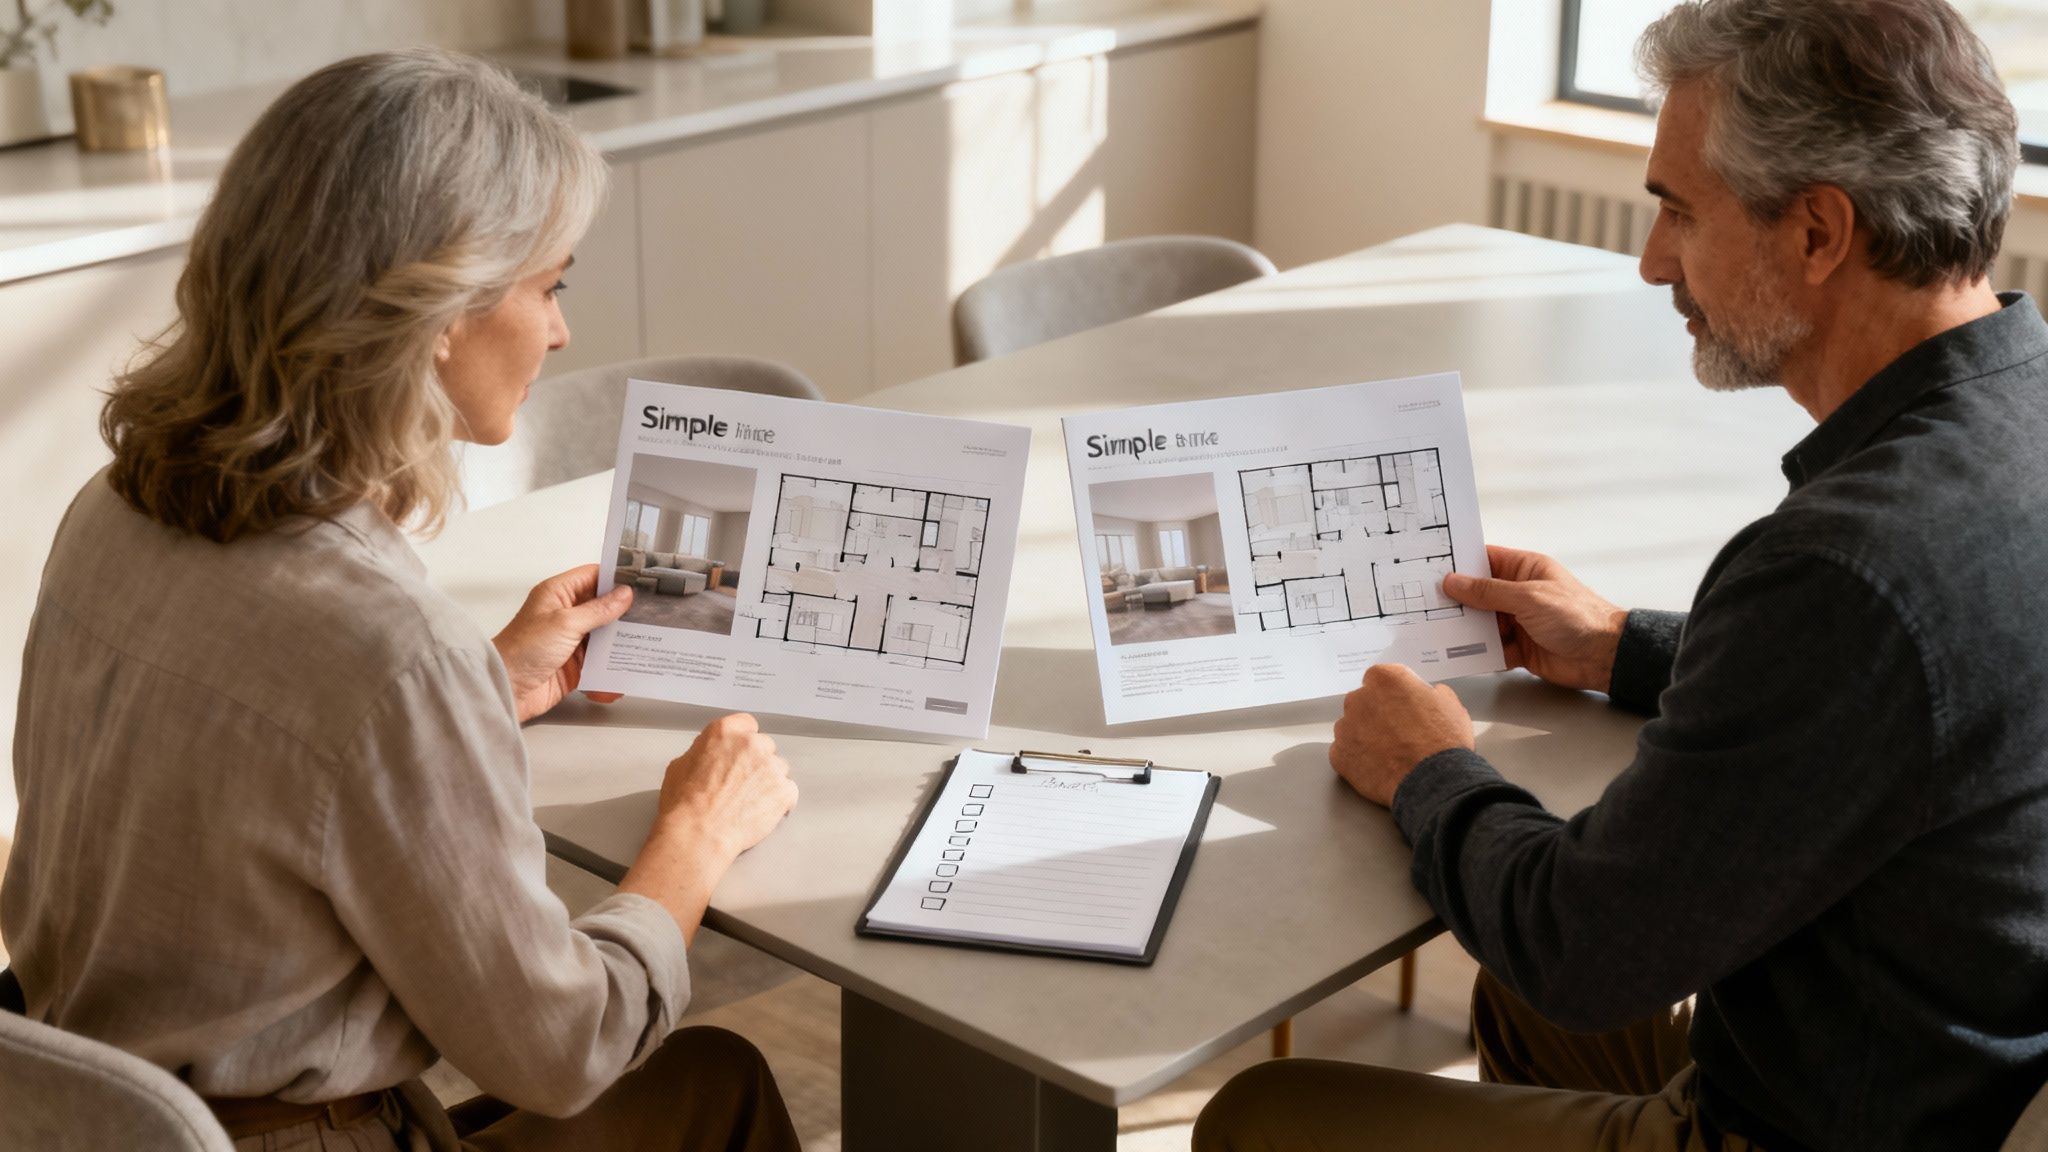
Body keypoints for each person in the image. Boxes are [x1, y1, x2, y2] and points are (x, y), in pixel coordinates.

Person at [1196, 1, 2048, 1149]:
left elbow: (1579, 950)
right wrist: (1623, 645)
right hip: (1945, 1064)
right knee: (1516, 988)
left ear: (1814, 232)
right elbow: (1912, 695)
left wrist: (1425, 767)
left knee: (1265, 1114)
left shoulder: (1843, 563)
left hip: (1798, 1125)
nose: (1650, 262)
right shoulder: (2017, 416)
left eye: (1675, 212)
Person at [1, 49, 803, 1151]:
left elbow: (259, 751)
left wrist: (479, 684)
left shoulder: (114, 510)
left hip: (88, 1117)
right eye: (549, 285)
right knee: (714, 1083)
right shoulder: (386, 653)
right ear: (438, 310)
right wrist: (695, 836)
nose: (561, 331)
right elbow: (561, 1049)